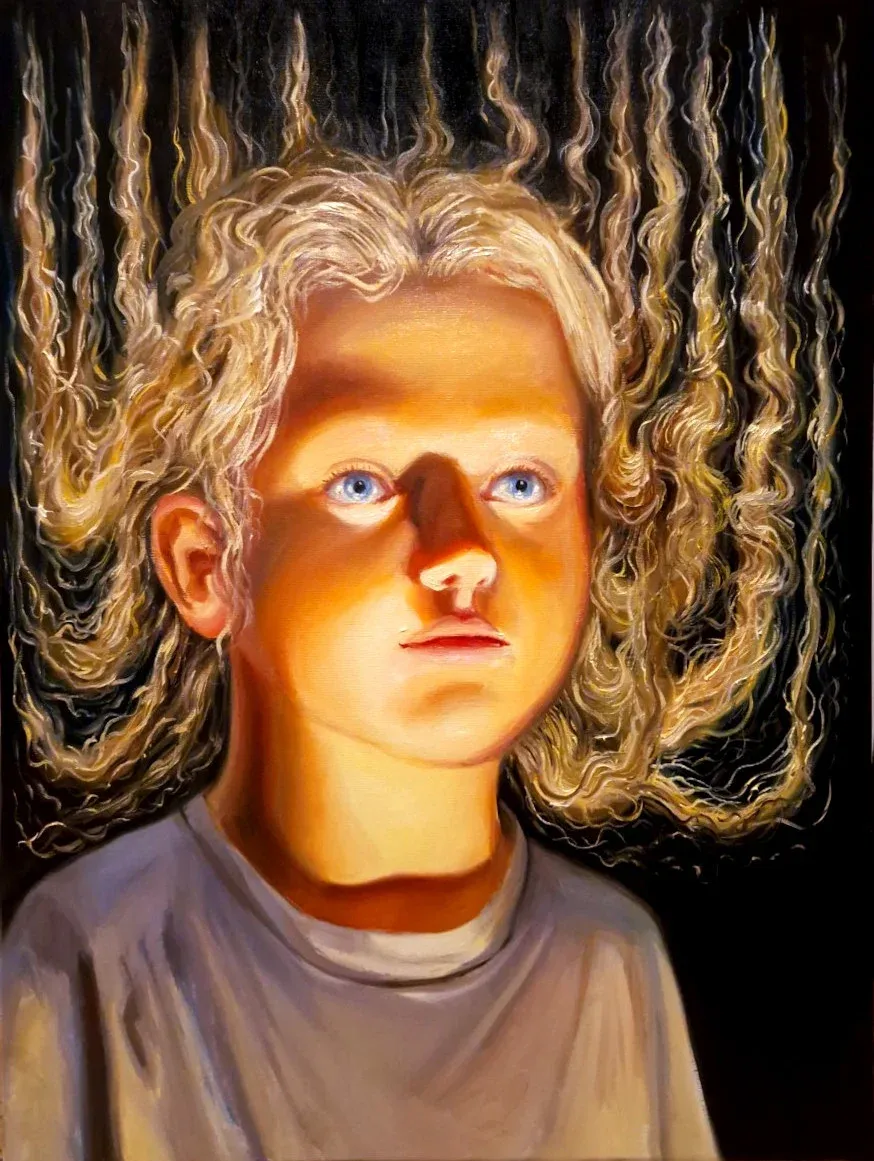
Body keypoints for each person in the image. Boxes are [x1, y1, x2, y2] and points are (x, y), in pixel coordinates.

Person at [3, 7, 844, 1160]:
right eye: (361, 482)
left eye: (519, 481)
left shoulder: (612, 966)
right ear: (207, 563)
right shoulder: (84, 964)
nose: (462, 551)